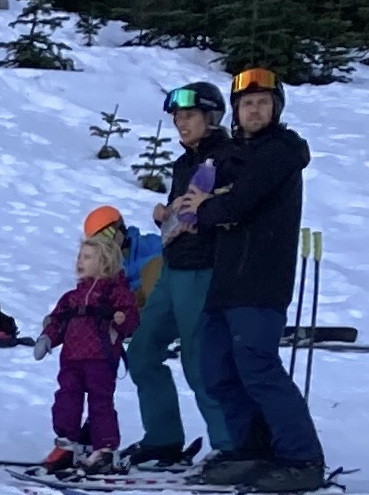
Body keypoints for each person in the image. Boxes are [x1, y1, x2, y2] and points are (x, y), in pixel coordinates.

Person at [179, 68, 325, 495]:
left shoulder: (279, 152)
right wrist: (205, 206)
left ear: (275, 109)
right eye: (247, 103)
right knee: (217, 369)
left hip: (261, 280)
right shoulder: (234, 154)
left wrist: (209, 207)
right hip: (227, 279)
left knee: (259, 370)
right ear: (237, 112)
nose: (254, 109)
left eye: (262, 102)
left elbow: (235, 205)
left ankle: (303, 458)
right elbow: (206, 203)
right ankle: (251, 449)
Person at [125, 81, 240, 466]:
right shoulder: (183, 162)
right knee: (141, 351)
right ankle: (162, 439)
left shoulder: (230, 157)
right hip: (173, 268)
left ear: (211, 118)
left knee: (199, 360)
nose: (180, 123)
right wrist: (166, 215)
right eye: (177, 117)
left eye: (188, 115)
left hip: (204, 271)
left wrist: (198, 214)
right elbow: (183, 215)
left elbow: (232, 212)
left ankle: (230, 446)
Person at [36, 228, 140, 473]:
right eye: (79, 256)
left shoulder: (115, 293)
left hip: (101, 358)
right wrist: (47, 338)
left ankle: (104, 449)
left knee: (100, 403)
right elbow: (57, 321)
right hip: (71, 359)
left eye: (87, 257)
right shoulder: (71, 297)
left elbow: (132, 319)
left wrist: (121, 319)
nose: (79, 262)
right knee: (66, 399)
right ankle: (66, 444)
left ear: (104, 263)